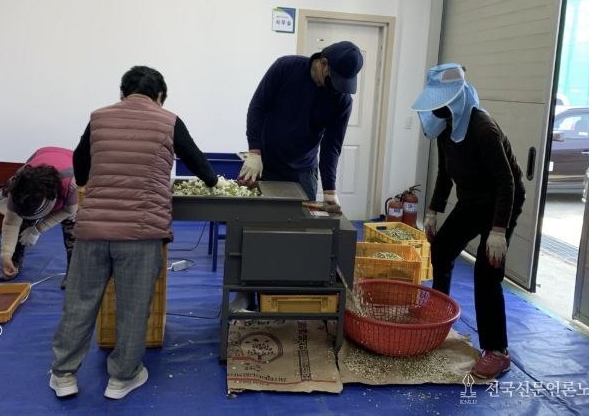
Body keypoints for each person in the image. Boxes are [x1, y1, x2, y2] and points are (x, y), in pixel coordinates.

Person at [49, 66, 225, 400]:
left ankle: (64, 375)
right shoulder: (168, 121)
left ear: (122, 93)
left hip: (94, 229)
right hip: (141, 233)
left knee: (80, 303)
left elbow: (80, 168)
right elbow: (199, 164)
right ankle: (122, 378)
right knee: (133, 306)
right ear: (160, 96)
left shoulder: (99, 118)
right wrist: (214, 181)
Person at [411, 63, 526, 379]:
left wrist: (498, 231)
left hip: (501, 203)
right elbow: (445, 173)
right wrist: (432, 211)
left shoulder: (482, 129)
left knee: (486, 274)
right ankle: (439, 310)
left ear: (455, 99)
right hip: (472, 200)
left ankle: (497, 351)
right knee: (442, 249)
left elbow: (507, 183)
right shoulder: (446, 126)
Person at [239, 41, 364, 212]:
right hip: (265, 164)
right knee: (257, 219)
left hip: (303, 172)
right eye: (335, 80)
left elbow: (331, 147)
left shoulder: (342, 100)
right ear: (323, 63)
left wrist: (329, 191)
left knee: (301, 224)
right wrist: (254, 151)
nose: (337, 88)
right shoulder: (285, 67)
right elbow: (257, 107)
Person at [0, 147, 77, 289]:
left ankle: (73, 271)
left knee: (73, 228)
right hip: (41, 154)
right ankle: (14, 261)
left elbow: (69, 210)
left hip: (71, 162)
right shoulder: (17, 186)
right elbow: (11, 223)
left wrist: (38, 229)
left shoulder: (69, 184)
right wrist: (5, 255)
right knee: (22, 223)